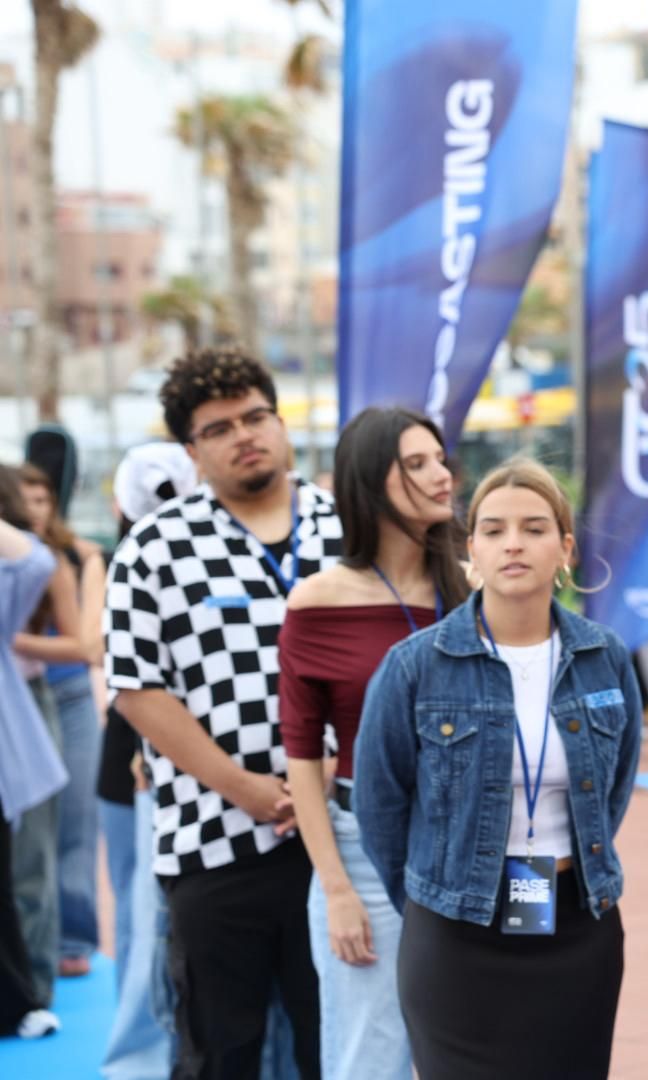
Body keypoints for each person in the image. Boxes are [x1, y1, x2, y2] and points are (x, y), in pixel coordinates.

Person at [354, 458, 641, 1079]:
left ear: (564, 548)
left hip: (578, 927)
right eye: (494, 529)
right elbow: (379, 803)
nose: (514, 543)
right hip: (455, 935)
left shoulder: (604, 658)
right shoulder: (415, 667)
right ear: (471, 550)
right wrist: (430, 897)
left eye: (535, 528)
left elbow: (615, 787)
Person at [105, 347, 344, 1077]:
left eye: (256, 416)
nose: (245, 434)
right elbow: (138, 687)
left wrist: (329, 774)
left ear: (280, 421)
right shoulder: (153, 549)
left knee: (335, 1046)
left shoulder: (350, 530)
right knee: (219, 1049)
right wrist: (243, 786)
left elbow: (399, 667)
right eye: (219, 428)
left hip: (344, 837)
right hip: (214, 843)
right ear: (190, 450)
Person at [278, 407, 469, 1080]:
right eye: (415, 464)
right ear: (367, 483)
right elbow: (301, 759)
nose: (441, 475)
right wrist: (335, 888)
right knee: (371, 1059)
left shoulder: (477, 590)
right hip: (366, 849)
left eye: (440, 459)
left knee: (484, 1048)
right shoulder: (316, 601)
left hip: (477, 842)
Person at [99, 443, 197, 1079]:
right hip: (140, 763)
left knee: (149, 919)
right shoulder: (139, 567)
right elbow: (139, 683)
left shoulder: (130, 563)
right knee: (146, 918)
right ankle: (139, 1058)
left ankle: (142, 1057)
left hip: (151, 763)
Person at [16, 462, 103, 979]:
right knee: (29, 833)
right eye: (25, 501)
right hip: (18, 693)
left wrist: (12, 640)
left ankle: (73, 938)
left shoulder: (73, 557)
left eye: (43, 499)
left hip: (67, 694)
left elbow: (86, 645)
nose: (35, 511)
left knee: (75, 819)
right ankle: (32, 942)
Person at [0, 466, 69, 1040]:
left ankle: (27, 993)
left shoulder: (31, 562)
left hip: (28, 713)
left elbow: (33, 563)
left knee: (26, 869)